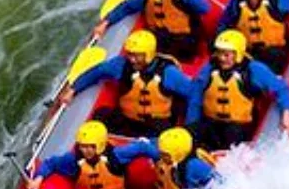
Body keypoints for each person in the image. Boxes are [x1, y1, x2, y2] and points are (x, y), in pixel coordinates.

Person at [61, 30, 194, 138]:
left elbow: (192, 94)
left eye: (137, 56)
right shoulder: (120, 64)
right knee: (100, 115)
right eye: (129, 54)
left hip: (157, 125)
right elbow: (98, 71)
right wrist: (73, 89)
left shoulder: (169, 73)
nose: (131, 59)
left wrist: (188, 125)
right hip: (128, 120)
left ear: (148, 54)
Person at [189, 30, 289, 151]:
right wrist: (191, 127)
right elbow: (195, 98)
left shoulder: (253, 69)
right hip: (210, 124)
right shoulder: (209, 69)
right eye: (219, 53)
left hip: (238, 128)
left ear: (238, 54)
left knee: (232, 134)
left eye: (227, 55)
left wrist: (286, 111)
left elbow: (281, 88)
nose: (222, 58)